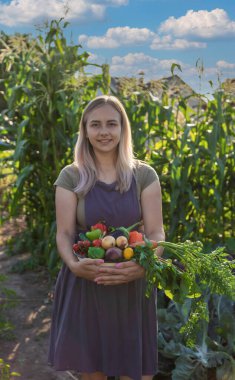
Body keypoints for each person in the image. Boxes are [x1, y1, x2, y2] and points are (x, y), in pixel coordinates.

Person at [48, 95, 165, 380]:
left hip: (132, 286)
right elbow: (63, 234)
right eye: (95, 124)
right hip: (88, 284)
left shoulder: (144, 175)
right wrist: (75, 264)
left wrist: (143, 265)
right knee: (93, 373)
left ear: (123, 129)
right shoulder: (71, 177)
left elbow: (156, 232)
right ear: (85, 130)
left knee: (135, 374)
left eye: (112, 124)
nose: (104, 132)